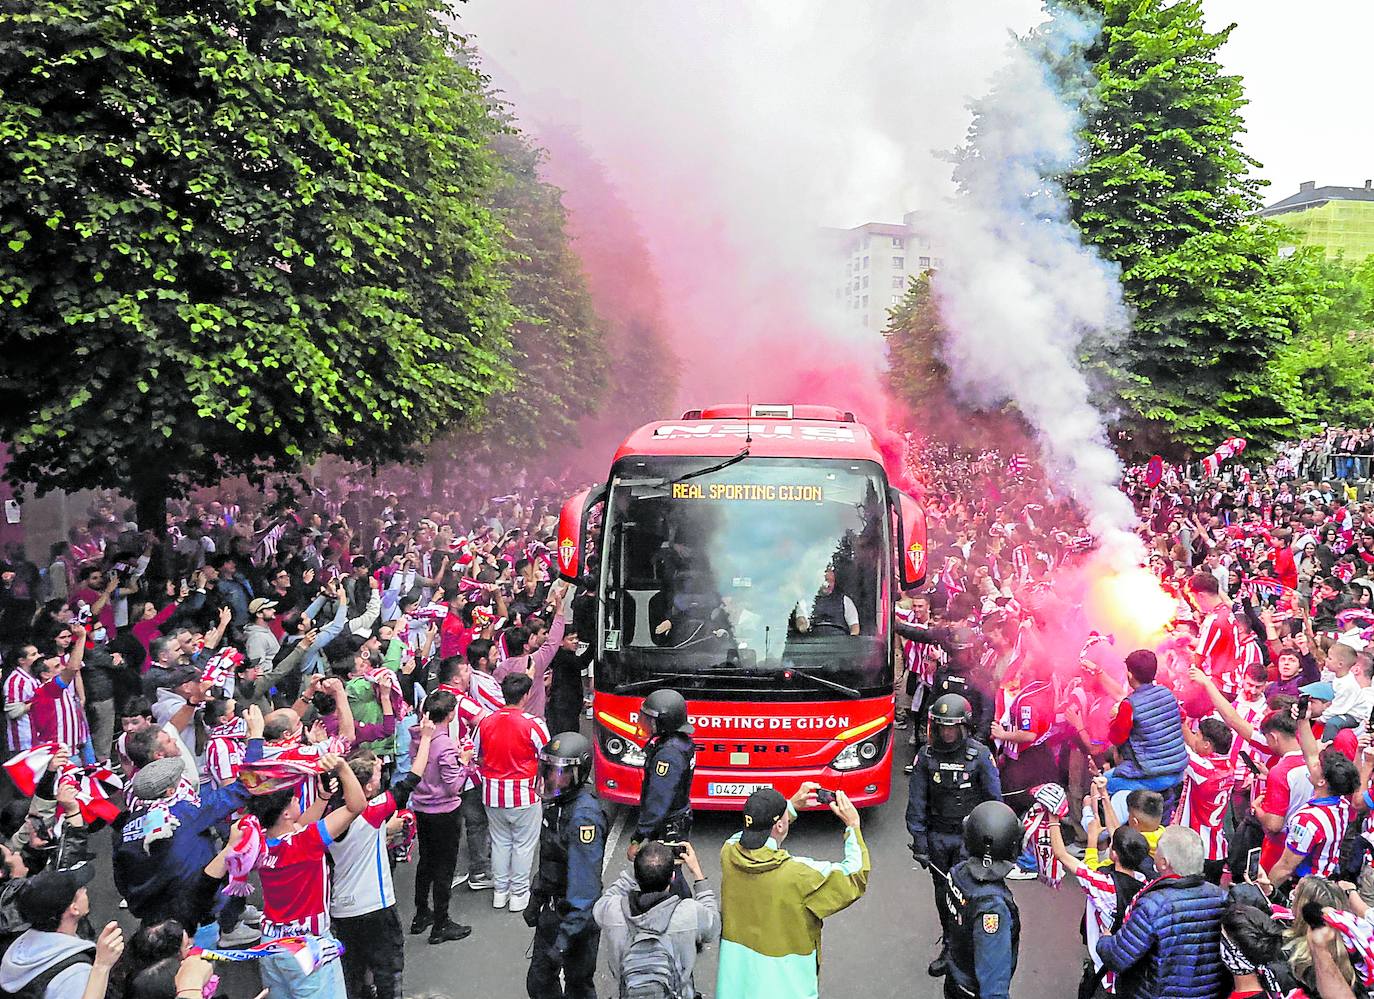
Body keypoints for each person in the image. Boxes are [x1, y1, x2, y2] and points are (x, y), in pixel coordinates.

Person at [715, 783, 869, 999]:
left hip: (735, 987)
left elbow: (742, 837)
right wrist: (853, 825)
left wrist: (789, 808)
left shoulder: (728, 853)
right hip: (786, 987)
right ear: (779, 825)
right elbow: (855, 875)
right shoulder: (799, 875)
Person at [331, 719, 437, 999]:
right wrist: (426, 738)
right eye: (377, 776)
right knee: (388, 971)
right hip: (375, 905)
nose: (381, 780)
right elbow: (412, 778)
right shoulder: (372, 810)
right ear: (364, 788)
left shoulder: (328, 815)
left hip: (341, 909)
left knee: (354, 974)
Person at [906, 692, 1003, 977]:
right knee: (944, 895)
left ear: (964, 726)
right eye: (943, 726)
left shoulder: (981, 755)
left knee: (971, 896)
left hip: (969, 841)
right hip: (937, 839)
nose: (947, 733)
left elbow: (994, 803)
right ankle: (949, 945)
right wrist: (920, 842)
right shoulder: (926, 756)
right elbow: (917, 802)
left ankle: (973, 947)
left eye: (953, 726)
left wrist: (991, 845)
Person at [1096, 826, 1228, 999]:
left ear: (1164, 862)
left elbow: (1117, 957)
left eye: (1157, 849)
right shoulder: (1221, 897)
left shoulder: (1153, 906)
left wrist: (1105, 940)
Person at [524, 731, 605, 999]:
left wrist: (564, 941)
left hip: (575, 920)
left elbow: (585, 888)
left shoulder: (583, 818)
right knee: (539, 983)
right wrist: (536, 898)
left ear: (579, 773)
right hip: (552, 911)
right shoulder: (556, 805)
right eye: (549, 770)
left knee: (578, 987)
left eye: (561, 773)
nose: (551, 778)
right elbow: (551, 860)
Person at [594, 840, 719, 999]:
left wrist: (639, 868)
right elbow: (714, 927)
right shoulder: (689, 913)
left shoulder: (612, 911)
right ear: (672, 877)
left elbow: (600, 904)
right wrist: (697, 874)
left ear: (637, 876)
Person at [475, 672, 550, 913]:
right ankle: (519, 893)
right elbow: (548, 755)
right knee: (523, 845)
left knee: (500, 843)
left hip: (492, 792)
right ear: (526, 695)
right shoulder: (533, 724)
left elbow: (477, 754)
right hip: (524, 793)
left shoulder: (485, 721)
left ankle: (500, 891)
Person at [407, 690, 476, 944]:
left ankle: (421, 913)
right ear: (450, 714)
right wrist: (465, 764)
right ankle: (441, 922)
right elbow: (453, 786)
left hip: (422, 806)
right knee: (444, 867)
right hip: (444, 810)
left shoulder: (419, 738)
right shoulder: (444, 744)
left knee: (426, 862)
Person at [0, 864, 124, 999]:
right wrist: (102, 965)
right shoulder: (75, 975)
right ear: (74, 908)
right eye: (80, 889)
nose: (85, 890)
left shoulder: (15, 950)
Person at [944, 801, 1022, 999]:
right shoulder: (991, 907)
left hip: (955, 977)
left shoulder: (959, 873)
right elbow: (993, 980)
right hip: (972, 990)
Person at [629, 689, 696, 863]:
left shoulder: (668, 754)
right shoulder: (680, 743)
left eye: (650, 720)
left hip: (668, 827)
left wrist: (638, 837)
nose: (646, 724)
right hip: (676, 820)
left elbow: (658, 798)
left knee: (664, 875)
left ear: (665, 722)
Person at [794, 566, 860, 636]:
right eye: (826, 580)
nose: (829, 585)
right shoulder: (805, 601)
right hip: (814, 642)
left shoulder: (845, 600)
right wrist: (802, 624)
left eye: (832, 581)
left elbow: (854, 625)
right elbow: (800, 620)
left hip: (839, 642)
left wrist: (851, 641)